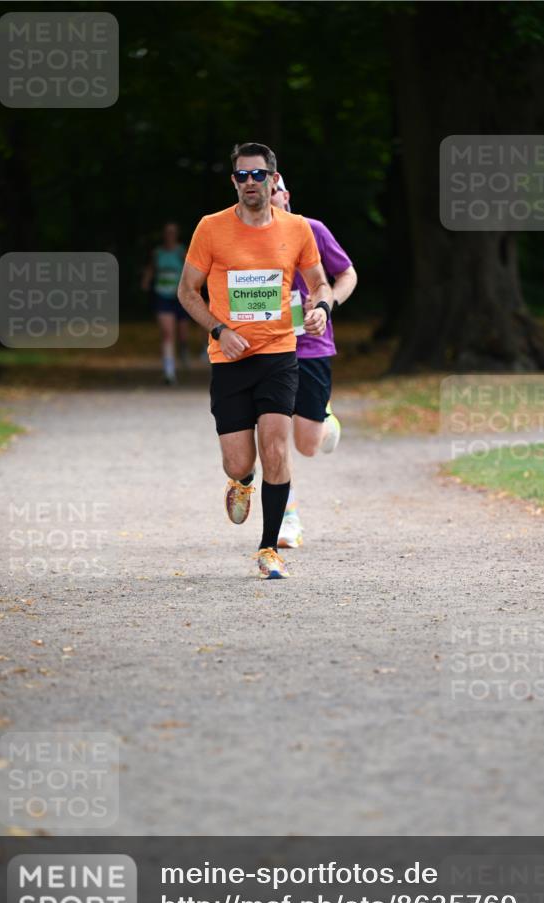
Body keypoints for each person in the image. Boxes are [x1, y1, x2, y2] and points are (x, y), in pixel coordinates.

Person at [178, 142, 331, 579]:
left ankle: (268, 549)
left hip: (279, 354)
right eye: (242, 175)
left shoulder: (297, 229)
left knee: (277, 450)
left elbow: (319, 283)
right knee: (239, 461)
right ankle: (241, 482)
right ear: (234, 181)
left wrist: (321, 308)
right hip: (229, 358)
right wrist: (219, 331)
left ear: (273, 179)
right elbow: (187, 291)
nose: (250, 182)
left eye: (258, 174)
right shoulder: (211, 228)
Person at [270, 176, 357, 548]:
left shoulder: (313, 230)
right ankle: (287, 518)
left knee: (307, 445)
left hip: (312, 346)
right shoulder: (245, 235)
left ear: (285, 196)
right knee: (272, 433)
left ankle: (325, 416)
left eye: (273, 191)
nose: (266, 198)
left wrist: (326, 303)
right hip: (268, 346)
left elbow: (347, 273)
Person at [141, 222, 192, 384]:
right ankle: (169, 372)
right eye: (167, 232)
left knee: (182, 333)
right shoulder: (158, 252)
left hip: (180, 297)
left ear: (176, 234)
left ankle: (183, 348)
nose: (170, 235)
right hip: (162, 296)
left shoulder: (181, 251)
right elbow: (152, 268)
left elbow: (190, 269)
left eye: (173, 232)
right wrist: (146, 280)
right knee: (167, 333)